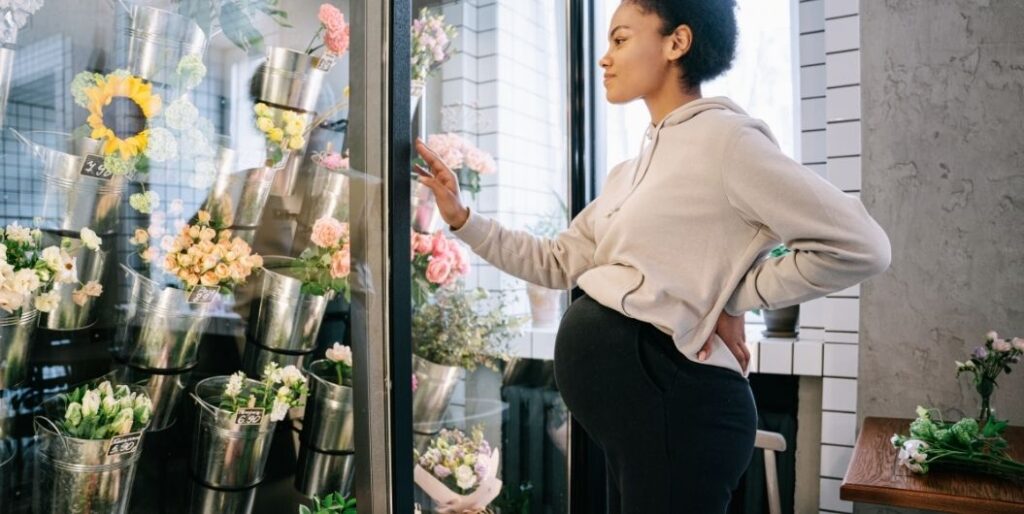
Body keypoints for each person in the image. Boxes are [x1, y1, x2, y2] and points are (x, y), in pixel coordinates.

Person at [414, 0, 891, 511]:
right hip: (640, 419)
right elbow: (555, 260)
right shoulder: (629, 173)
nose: (604, 58)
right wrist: (462, 217)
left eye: (620, 39)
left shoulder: (727, 141)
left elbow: (860, 245)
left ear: (676, 43)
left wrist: (734, 296)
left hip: (683, 410)